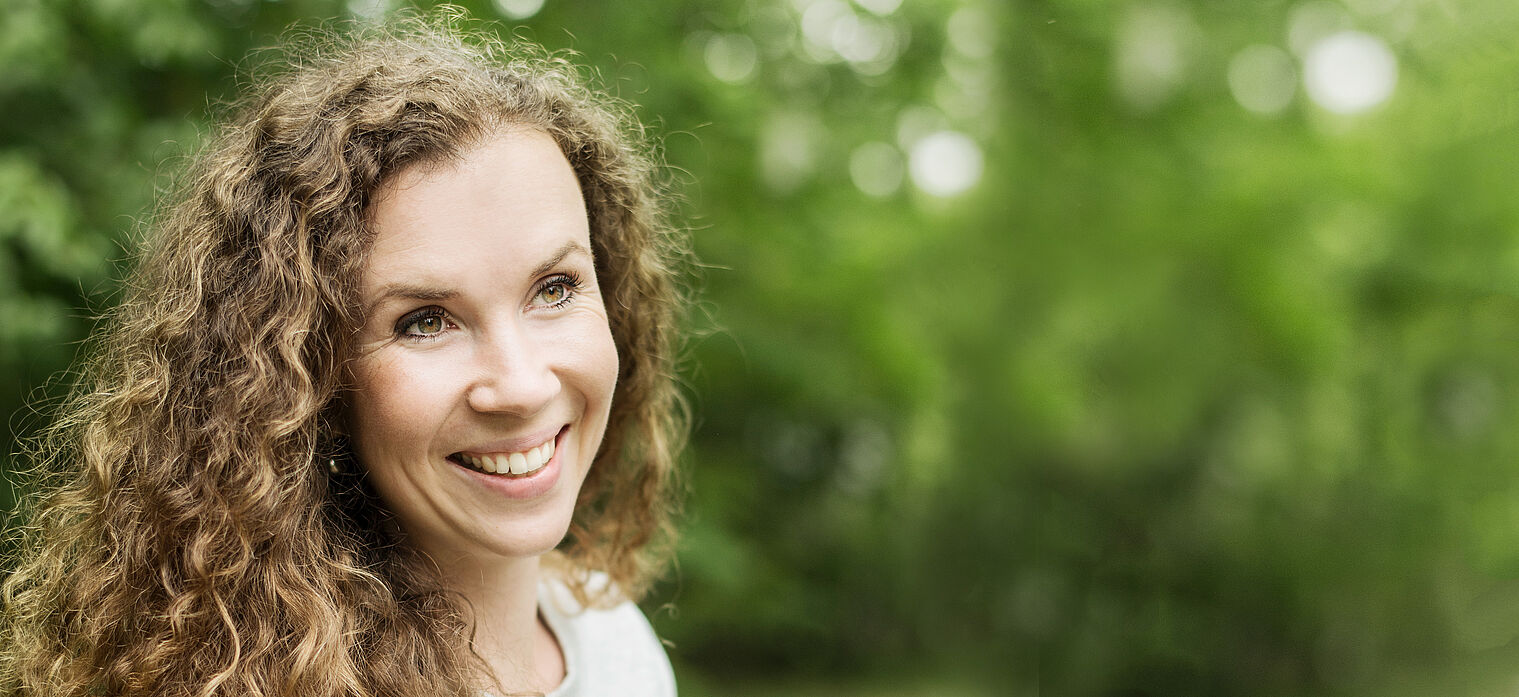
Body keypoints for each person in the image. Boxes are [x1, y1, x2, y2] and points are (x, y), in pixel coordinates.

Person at [0, 12, 689, 697]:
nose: (520, 383)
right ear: (306, 382)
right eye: (424, 321)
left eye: (556, 287)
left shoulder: (611, 637)